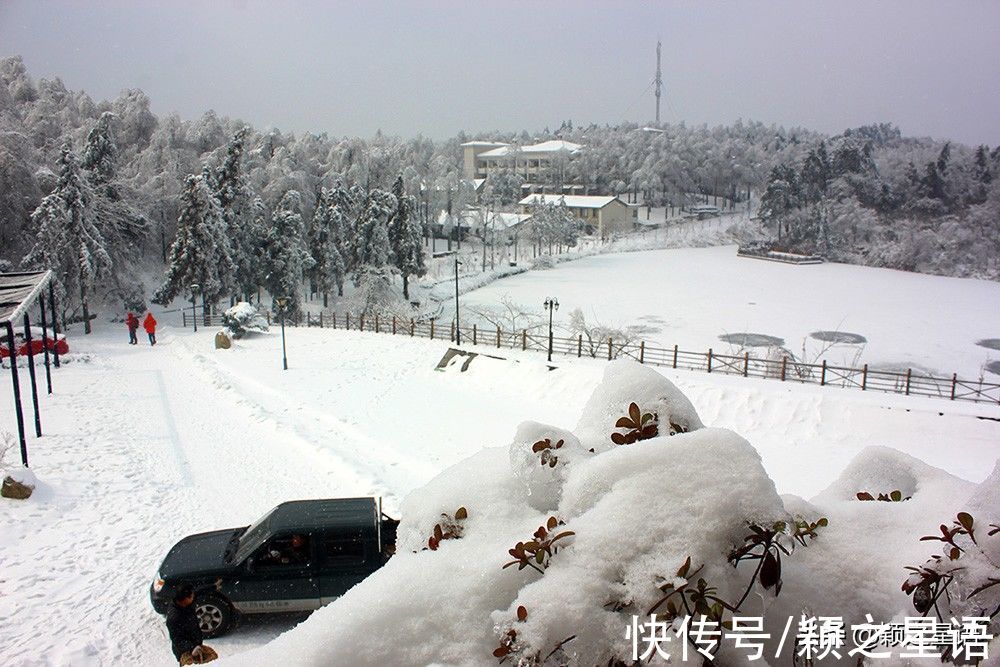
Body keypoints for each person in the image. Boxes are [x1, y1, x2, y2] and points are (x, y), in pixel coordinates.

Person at [165, 584, 206, 664]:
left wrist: (213, 586)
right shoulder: (174, 618)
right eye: (191, 596)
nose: (193, 597)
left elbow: (198, 592)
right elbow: (177, 640)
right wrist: (192, 648)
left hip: (196, 645)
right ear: (185, 599)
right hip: (184, 652)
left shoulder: (185, 602)